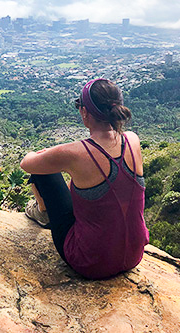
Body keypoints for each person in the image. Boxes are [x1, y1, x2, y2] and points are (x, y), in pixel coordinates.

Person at [20, 78, 149, 279]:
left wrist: (42, 153)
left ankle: (42, 212)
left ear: (84, 112)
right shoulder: (132, 140)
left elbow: (27, 163)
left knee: (43, 170)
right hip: (133, 255)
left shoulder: (77, 152)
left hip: (90, 262)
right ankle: (43, 211)